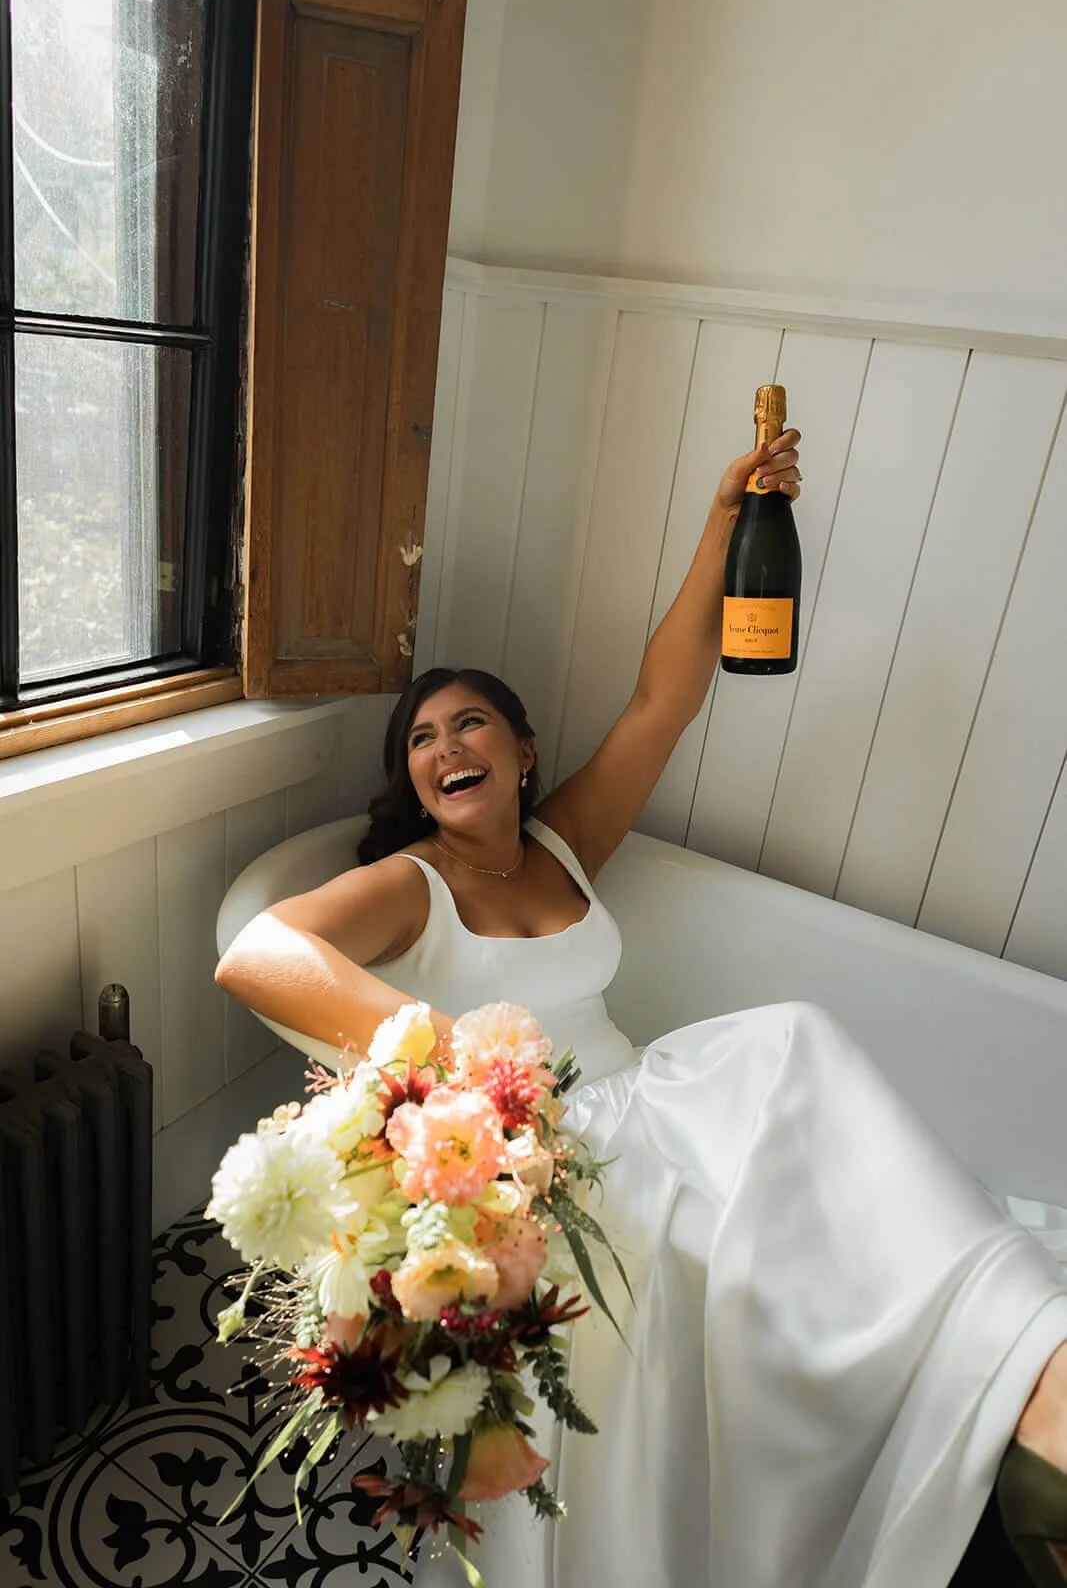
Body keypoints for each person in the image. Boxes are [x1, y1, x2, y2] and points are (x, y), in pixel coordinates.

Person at [216, 428, 1067, 1588]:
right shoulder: (409, 881)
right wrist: (447, 1063)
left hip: (662, 1102)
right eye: (418, 738)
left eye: (467, 723)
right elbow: (259, 952)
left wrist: (727, 509)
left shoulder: (563, 844)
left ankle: (1026, 1367)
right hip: (553, 1152)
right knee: (756, 1172)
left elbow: (665, 696)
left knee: (790, 1042)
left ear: (521, 752)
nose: (441, 746)